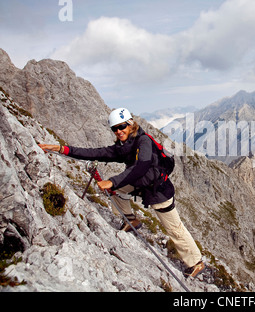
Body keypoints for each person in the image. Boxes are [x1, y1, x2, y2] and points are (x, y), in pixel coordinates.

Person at [38, 108, 205, 278]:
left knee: (174, 229)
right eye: (115, 129)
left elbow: (142, 167)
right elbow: (96, 153)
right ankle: (131, 220)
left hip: (159, 191)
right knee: (114, 191)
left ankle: (195, 263)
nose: (118, 131)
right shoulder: (124, 146)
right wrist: (61, 149)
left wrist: (113, 181)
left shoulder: (144, 141)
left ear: (130, 124)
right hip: (141, 185)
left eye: (122, 126)